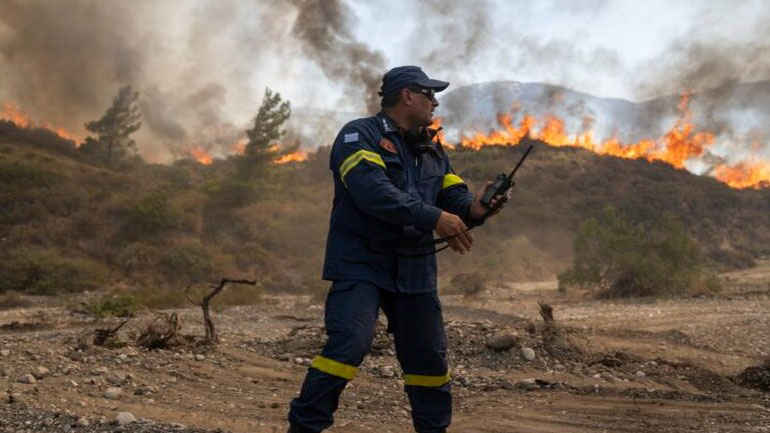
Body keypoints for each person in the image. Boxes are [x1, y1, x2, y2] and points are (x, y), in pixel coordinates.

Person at [287, 65, 507, 433]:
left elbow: (452, 193)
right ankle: (304, 428)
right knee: (348, 345)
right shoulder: (359, 135)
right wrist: (434, 217)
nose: (435, 102)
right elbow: (374, 193)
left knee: (429, 361)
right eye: (429, 94)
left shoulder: (431, 147)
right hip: (362, 264)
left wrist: (475, 208)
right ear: (407, 95)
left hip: (415, 271)